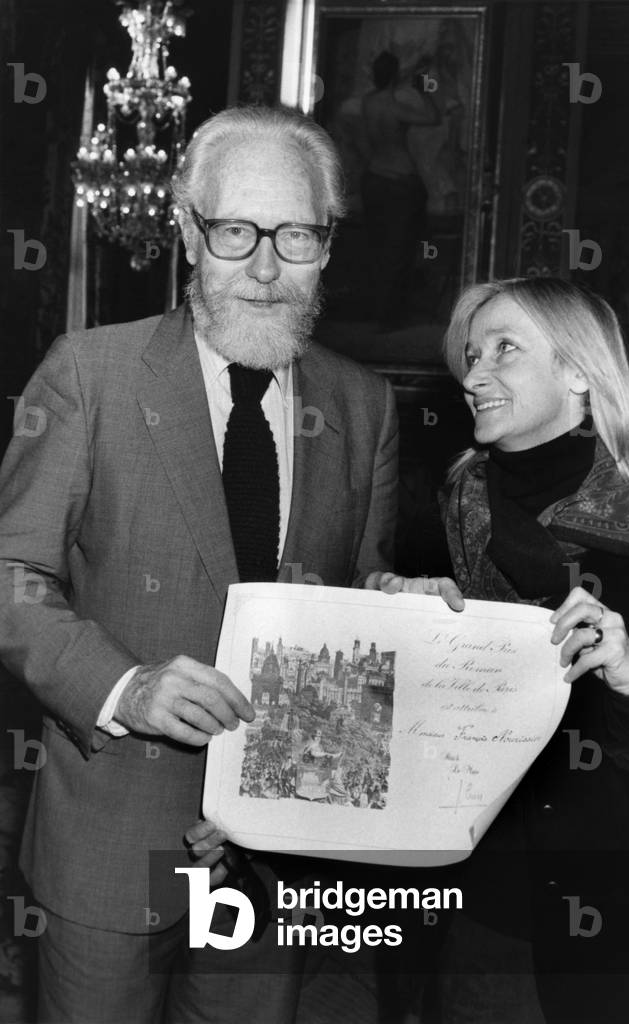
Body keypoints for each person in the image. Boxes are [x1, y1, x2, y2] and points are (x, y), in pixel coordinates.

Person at [0, 105, 398, 1024]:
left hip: (279, 841)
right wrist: (125, 686)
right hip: (111, 830)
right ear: (187, 231)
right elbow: (13, 576)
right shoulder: (88, 375)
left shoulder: (364, 405)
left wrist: (407, 609)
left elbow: (355, 598)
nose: (264, 268)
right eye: (234, 231)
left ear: (327, 244)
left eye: (294, 234)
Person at [367, 277, 629, 1023]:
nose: (472, 376)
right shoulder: (450, 497)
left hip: (623, 864)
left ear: (577, 371)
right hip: (479, 855)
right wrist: (392, 609)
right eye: (470, 356)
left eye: (504, 350)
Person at [360, 50, 440, 330]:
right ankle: (390, 316)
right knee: (400, 250)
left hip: (374, 178)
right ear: (394, 75)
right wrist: (422, 89)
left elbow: (389, 85)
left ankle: (379, 312)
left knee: (379, 246)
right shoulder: (395, 107)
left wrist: (411, 70)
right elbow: (432, 117)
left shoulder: (368, 103)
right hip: (400, 182)